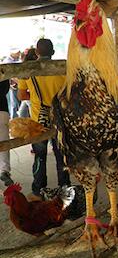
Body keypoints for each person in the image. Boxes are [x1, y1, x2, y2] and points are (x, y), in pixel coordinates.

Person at [18, 39, 70, 201]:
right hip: (59, 119)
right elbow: (68, 94)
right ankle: (65, 189)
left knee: (39, 156)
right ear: (53, 52)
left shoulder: (29, 70)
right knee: (61, 155)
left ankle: (38, 190)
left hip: (38, 120)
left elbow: (21, 95)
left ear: (37, 53)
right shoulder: (62, 69)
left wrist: (35, 98)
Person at [0, 79, 13, 187]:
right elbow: (5, 89)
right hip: (1, 109)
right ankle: (4, 170)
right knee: (4, 141)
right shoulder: (2, 70)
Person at [2, 48, 21, 119]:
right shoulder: (7, 61)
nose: (18, 53)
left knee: (16, 103)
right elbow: (10, 75)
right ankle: (14, 119)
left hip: (16, 85)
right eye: (17, 52)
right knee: (14, 104)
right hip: (14, 85)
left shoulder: (17, 60)